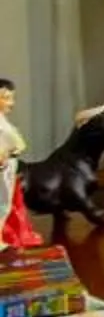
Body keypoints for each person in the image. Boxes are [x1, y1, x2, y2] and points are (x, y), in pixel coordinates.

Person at [0, 76, 32, 250]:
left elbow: (17, 143)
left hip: (8, 167)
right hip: (2, 166)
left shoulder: (4, 121)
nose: (11, 103)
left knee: (5, 203)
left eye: (12, 97)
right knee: (1, 203)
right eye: (7, 98)